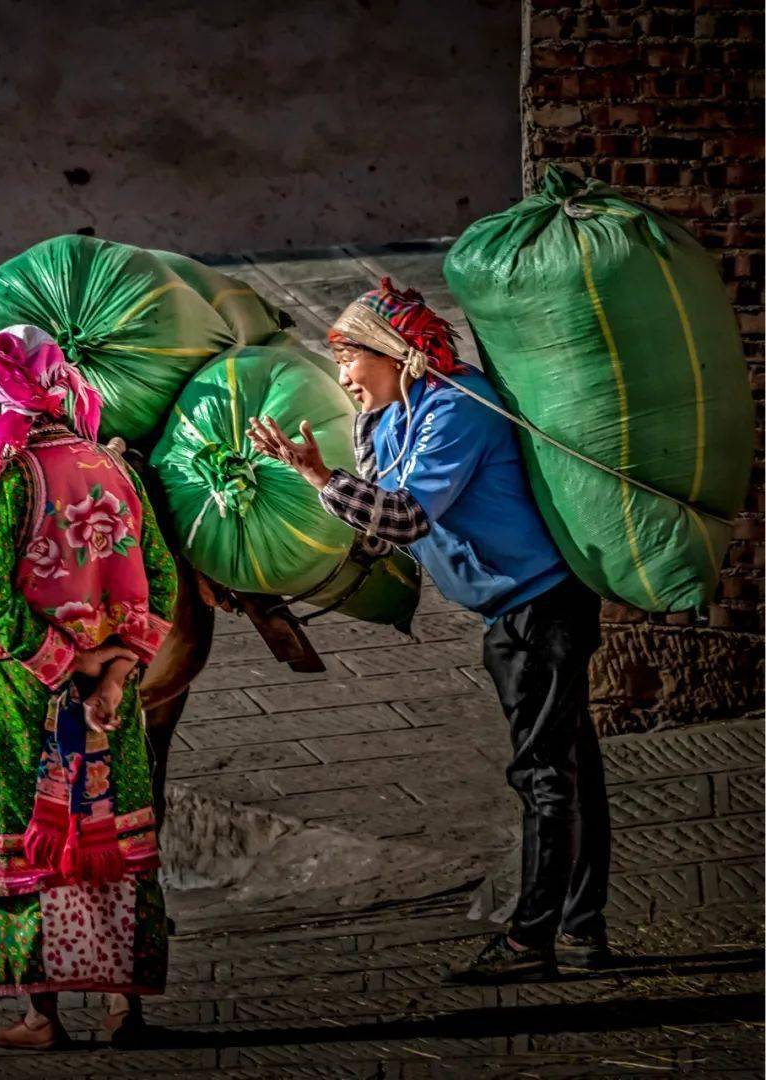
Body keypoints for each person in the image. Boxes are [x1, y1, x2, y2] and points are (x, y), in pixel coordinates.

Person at [247, 279, 610, 983]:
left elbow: (407, 516)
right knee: (568, 768)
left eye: (352, 359)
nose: (345, 377)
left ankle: (530, 942)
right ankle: (581, 928)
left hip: (544, 611)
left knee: (544, 775)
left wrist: (321, 475)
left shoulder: (458, 411)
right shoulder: (390, 420)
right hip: (511, 615)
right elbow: (383, 530)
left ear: (392, 352)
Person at [0, 324, 176, 1049]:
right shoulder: (115, 468)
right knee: (113, 835)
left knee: (26, 843)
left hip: (23, 694)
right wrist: (114, 670)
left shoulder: (6, 475)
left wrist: (61, 662)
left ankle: (40, 1017)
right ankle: (123, 1011)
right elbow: (161, 579)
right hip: (112, 689)